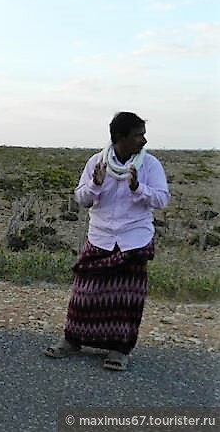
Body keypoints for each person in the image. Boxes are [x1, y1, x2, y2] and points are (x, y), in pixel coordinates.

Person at [44, 111, 170, 371]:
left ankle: (119, 350)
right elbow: (82, 198)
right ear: (119, 138)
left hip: (134, 239)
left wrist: (138, 188)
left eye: (143, 135)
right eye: (138, 135)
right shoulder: (96, 162)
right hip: (101, 238)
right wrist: (95, 184)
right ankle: (73, 340)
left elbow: (162, 200)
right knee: (84, 295)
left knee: (126, 300)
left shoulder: (150, 165)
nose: (143, 141)